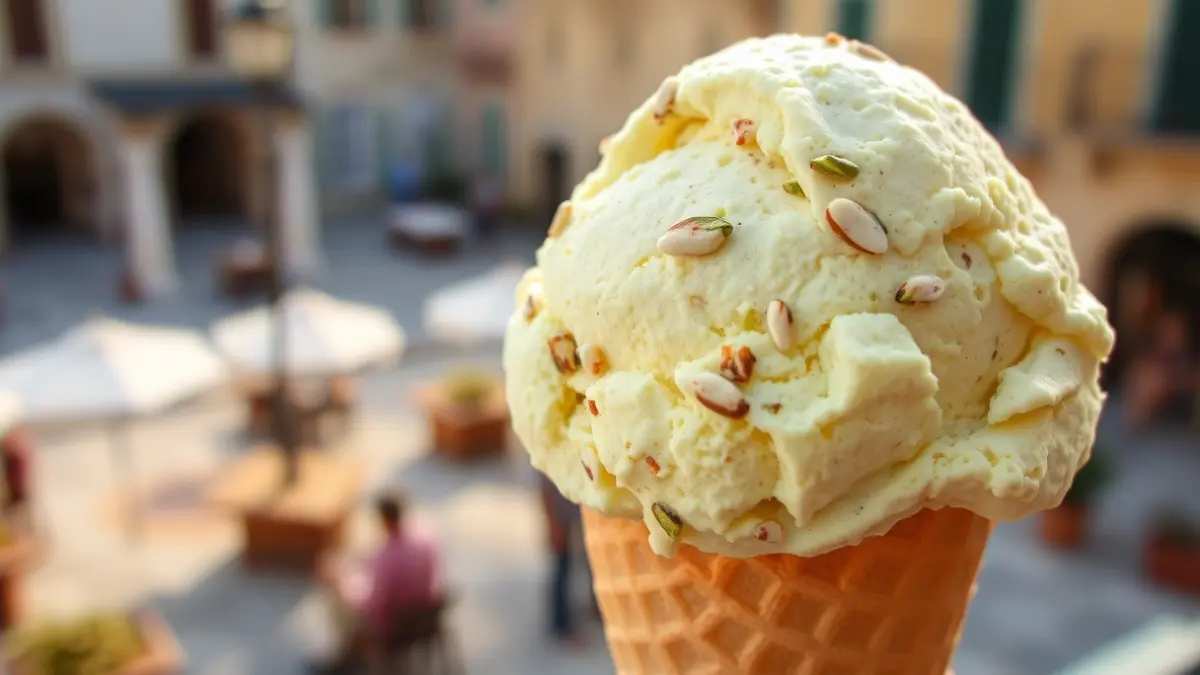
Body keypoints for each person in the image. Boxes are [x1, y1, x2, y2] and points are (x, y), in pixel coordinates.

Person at [308, 491, 440, 674]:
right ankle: (349, 650)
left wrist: (346, 587)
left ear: (383, 520)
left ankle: (344, 657)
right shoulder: (426, 539)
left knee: (337, 600)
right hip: (425, 613)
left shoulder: (387, 557)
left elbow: (374, 606)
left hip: (394, 626)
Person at [537, 469, 597, 644]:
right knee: (562, 567)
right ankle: (560, 624)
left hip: (581, 509)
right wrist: (552, 522)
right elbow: (543, 486)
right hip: (561, 514)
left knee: (590, 562)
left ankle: (596, 606)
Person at [1125, 310, 1199, 427]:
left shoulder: (1187, 360)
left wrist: (1171, 383)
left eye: (1175, 332)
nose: (1171, 337)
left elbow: (1192, 380)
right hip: (1142, 423)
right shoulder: (1148, 357)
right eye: (1167, 331)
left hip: (1176, 423)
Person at [1, 425, 31, 528]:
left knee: (16, 513)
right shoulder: (15, 452)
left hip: (16, 488)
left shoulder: (17, 453)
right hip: (14, 487)